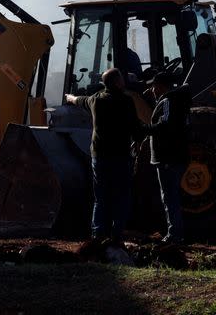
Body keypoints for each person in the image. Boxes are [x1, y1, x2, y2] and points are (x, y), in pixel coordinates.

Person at [65, 68, 143, 242]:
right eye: (122, 79)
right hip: (121, 156)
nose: (124, 82)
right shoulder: (126, 101)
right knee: (121, 196)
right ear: (117, 82)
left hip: (99, 156)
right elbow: (135, 128)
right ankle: (117, 234)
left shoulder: (96, 100)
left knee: (101, 198)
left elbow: (79, 100)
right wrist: (141, 141)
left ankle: (98, 234)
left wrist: (69, 98)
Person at [146, 72, 191, 244]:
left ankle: (174, 235)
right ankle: (176, 232)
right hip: (177, 155)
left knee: (169, 197)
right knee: (172, 196)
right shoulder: (180, 100)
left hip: (168, 158)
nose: (151, 90)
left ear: (161, 86)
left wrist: (144, 129)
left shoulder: (168, 101)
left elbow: (164, 126)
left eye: (153, 86)